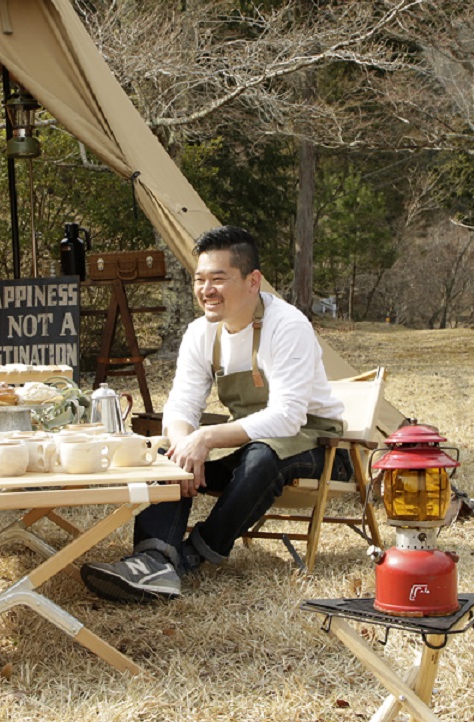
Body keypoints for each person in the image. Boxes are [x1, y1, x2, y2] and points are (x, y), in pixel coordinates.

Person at [81, 226, 346, 601]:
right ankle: (154, 559)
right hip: (257, 441)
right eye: (200, 279)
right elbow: (181, 405)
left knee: (261, 457)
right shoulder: (200, 333)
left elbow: (288, 417)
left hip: (322, 447)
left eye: (218, 279)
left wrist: (204, 438)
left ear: (253, 281)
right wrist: (182, 448)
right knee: (163, 456)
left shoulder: (287, 326)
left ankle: (189, 558)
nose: (207, 290)